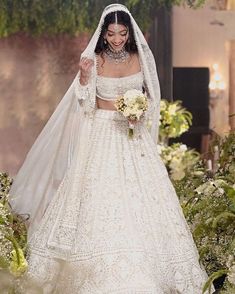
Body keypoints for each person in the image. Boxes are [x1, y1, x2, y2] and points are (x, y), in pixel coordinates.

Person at [10, 3, 213, 293]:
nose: (117, 39)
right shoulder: (93, 60)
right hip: (101, 133)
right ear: (103, 34)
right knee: (98, 196)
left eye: (121, 33)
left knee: (140, 198)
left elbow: (151, 99)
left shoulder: (140, 58)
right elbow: (84, 102)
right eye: (111, 34)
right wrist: (83, 76)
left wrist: (139, 113)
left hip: (133, 138)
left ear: (129, 33)